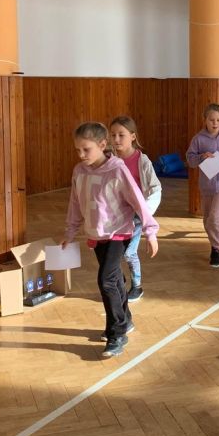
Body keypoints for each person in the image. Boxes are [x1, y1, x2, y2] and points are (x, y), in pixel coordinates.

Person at [62, 122, 159, 357]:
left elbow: (138, 201)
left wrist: (150, 231)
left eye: (86, 149)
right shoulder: (79, 171)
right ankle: (125, 320)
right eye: (77, 150)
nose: (81, 155)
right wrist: (70, 232)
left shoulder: (117, 170)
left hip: (119, 232)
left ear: (102, 145)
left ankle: (116, 334)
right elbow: (75, 203)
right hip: (96, 234)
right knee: (114, 279)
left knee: (106, 280)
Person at [109, 116, 162, 302]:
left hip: (137, 216)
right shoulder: (110, 160)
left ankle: (137, 286)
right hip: (116, 216)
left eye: (121, 135)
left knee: (129, 252)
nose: (116, 139)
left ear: (132, 136)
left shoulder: (142, 161)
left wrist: (145, 212)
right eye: (113, 135)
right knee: (112, 252)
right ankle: (118, 280)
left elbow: (155, 188)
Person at [186, 103, 219, 268]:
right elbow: (190, 160)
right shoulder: (198, 139)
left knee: (215, 217)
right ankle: (214, 244)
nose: (215, 123)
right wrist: (202, 157)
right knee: (207, 220)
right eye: (211, 120)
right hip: (207, 185)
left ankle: (217, 249)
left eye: (218, 120)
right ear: (205, 120)